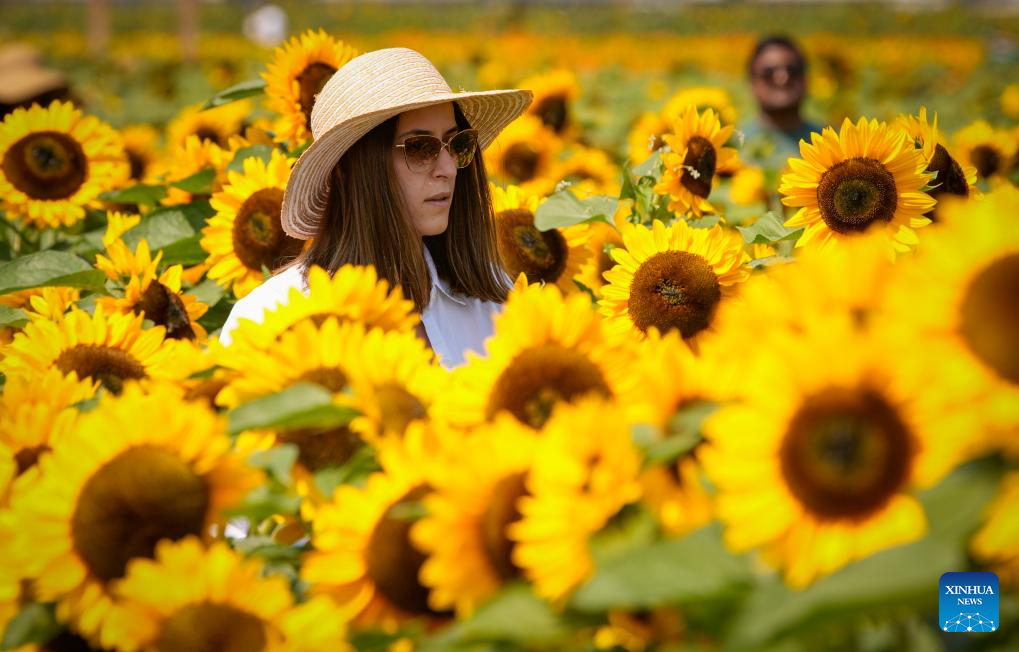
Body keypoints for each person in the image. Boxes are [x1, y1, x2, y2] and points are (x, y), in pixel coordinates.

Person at [218, 47, 533, 369]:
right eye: (420, 148)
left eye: (458, 144)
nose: (449, 169)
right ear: (352, 171)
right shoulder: (265, 320)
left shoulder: (493, 303)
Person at [740, 35, 823, 173]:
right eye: (768, 72)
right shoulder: (736, 142)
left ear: (807, 79)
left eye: (793, 71)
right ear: (751, 82)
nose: (782, 78)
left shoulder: (831, 143)